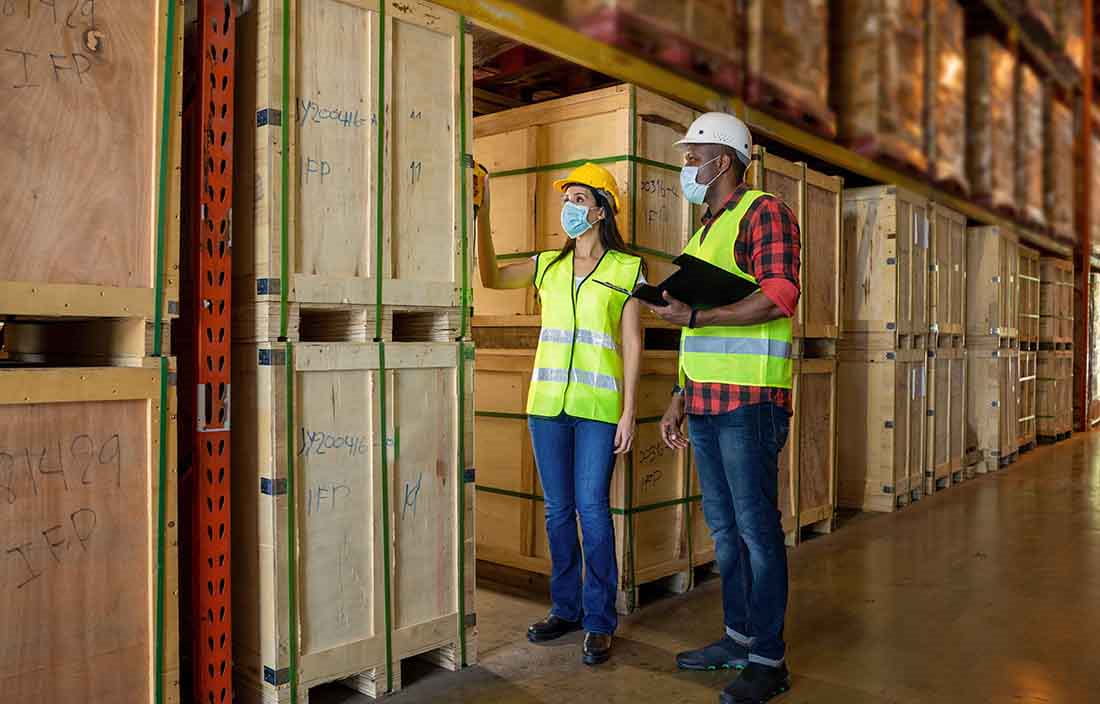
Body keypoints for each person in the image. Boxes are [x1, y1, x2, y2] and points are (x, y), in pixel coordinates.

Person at [646, 113, 801, 704]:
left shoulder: (765, 212)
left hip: (750, 403)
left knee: (758, 533)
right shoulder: (705, 229)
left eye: (695, 155)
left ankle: (769, 660)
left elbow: (779, 295)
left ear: (726, 159)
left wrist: (698, 315)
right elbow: (694, 330)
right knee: (726, 532)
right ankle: (738, 638)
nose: (687, 165)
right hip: (705, 402)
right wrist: (678, 398)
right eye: (687, 156)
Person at [475, 161, 646, 666]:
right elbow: (489, 276)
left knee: (592, 510)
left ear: (600, 210)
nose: (567, 208)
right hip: (546, 406)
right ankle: (565, 607)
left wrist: (629, 412)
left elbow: (633, 343)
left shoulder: (626, 270)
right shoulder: (547, 265)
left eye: (577, 200)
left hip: (598, 410)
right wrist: (482, 213)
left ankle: (598, 620)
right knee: (556, 512)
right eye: (565, 199)